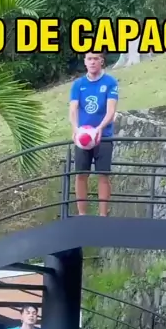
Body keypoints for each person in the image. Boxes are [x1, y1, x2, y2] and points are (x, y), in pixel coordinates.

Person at [69, 51, 119, 217]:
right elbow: (73, 109)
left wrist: (100, 128)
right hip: (83, 137)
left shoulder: (110, 82)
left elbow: (111, 110)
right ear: (85, 62)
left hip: (103, 136)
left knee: (103, 175)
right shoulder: (78, 84)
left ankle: (103, 215)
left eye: (96, 59)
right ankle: (82, 214)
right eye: (89, 59)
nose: (92, 62)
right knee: (81, 174)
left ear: (101, 61)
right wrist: (75, 129)